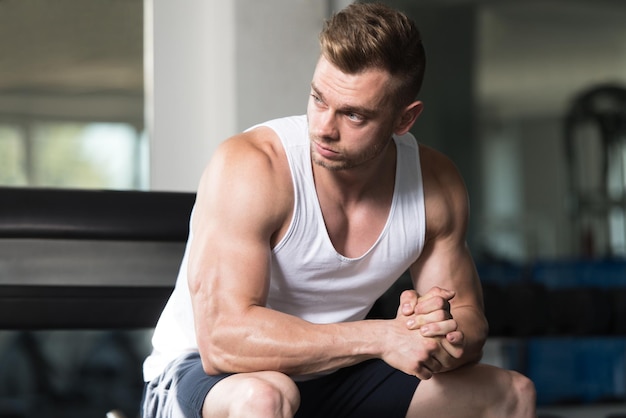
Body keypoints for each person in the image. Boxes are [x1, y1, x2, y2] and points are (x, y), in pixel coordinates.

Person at [142, 3, 536, 417]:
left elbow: (471, 323)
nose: (324, 127)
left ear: (405, 119)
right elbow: (223, 342)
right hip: (207, 380)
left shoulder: (435, 184)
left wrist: (437, 335)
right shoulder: (254, 166)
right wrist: (384, 338)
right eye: (318, 98)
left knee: (509, 394)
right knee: (266, 397)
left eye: (353, 115)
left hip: (335, 373)